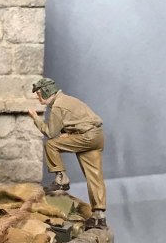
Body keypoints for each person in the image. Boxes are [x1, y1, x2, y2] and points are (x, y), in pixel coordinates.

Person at [28, 78, 107, 229]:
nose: (38, 97)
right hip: (96, 136)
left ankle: (61, 178)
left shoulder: (58, 105)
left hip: (85, 137)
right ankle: (99, 216)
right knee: (95, 177)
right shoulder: (68, 99)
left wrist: (35, 118)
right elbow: (78, 120)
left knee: (51, 144)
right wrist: (69, 133)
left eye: (39, 94)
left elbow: (50, 133)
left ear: (46, 91)